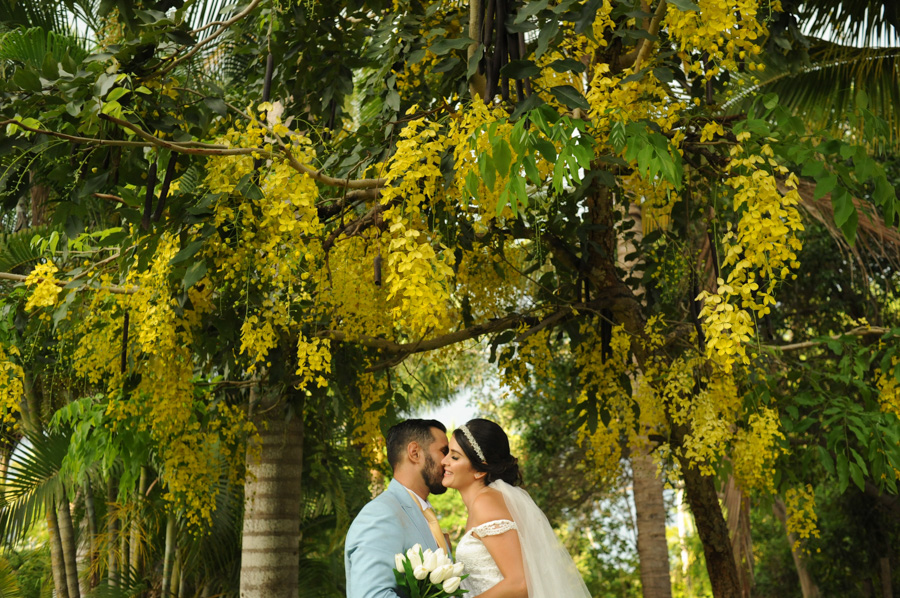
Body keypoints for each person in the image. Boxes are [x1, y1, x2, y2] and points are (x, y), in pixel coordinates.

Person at [441, 418, 591, 598]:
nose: (444, 461)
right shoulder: (485, 502)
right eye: (447, 453)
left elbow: (520, 583)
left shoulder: (485, 503)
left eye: (454, 456)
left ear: (480, 471)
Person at [344, 419, 451, 598]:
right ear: (415, 453)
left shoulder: (424, 514)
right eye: (444, 451)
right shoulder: (381, 514)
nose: (449, 461)